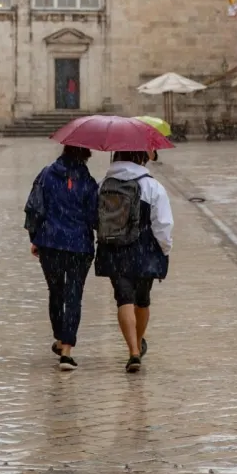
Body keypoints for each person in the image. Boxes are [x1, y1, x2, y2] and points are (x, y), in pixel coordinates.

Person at [95, 150, 173, 373]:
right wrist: (165, 249)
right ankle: (138, 343)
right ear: (141, 158)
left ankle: (133, 352)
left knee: (123, 299)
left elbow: (95, 217)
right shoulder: (153, 187)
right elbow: (163, 224)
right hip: (145, 250)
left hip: (114, 249)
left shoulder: (103, 185)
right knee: (142, 300)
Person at [25, 145, 99, 371]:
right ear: (86, 155)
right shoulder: (89, 182)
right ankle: (66, 350)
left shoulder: (46, 174)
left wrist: (36, 237)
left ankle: (60, 336)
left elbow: (34, 209)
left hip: (50, 243)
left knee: (56, 292)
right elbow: (95, 218)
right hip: (79, 246)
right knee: (74, 294)